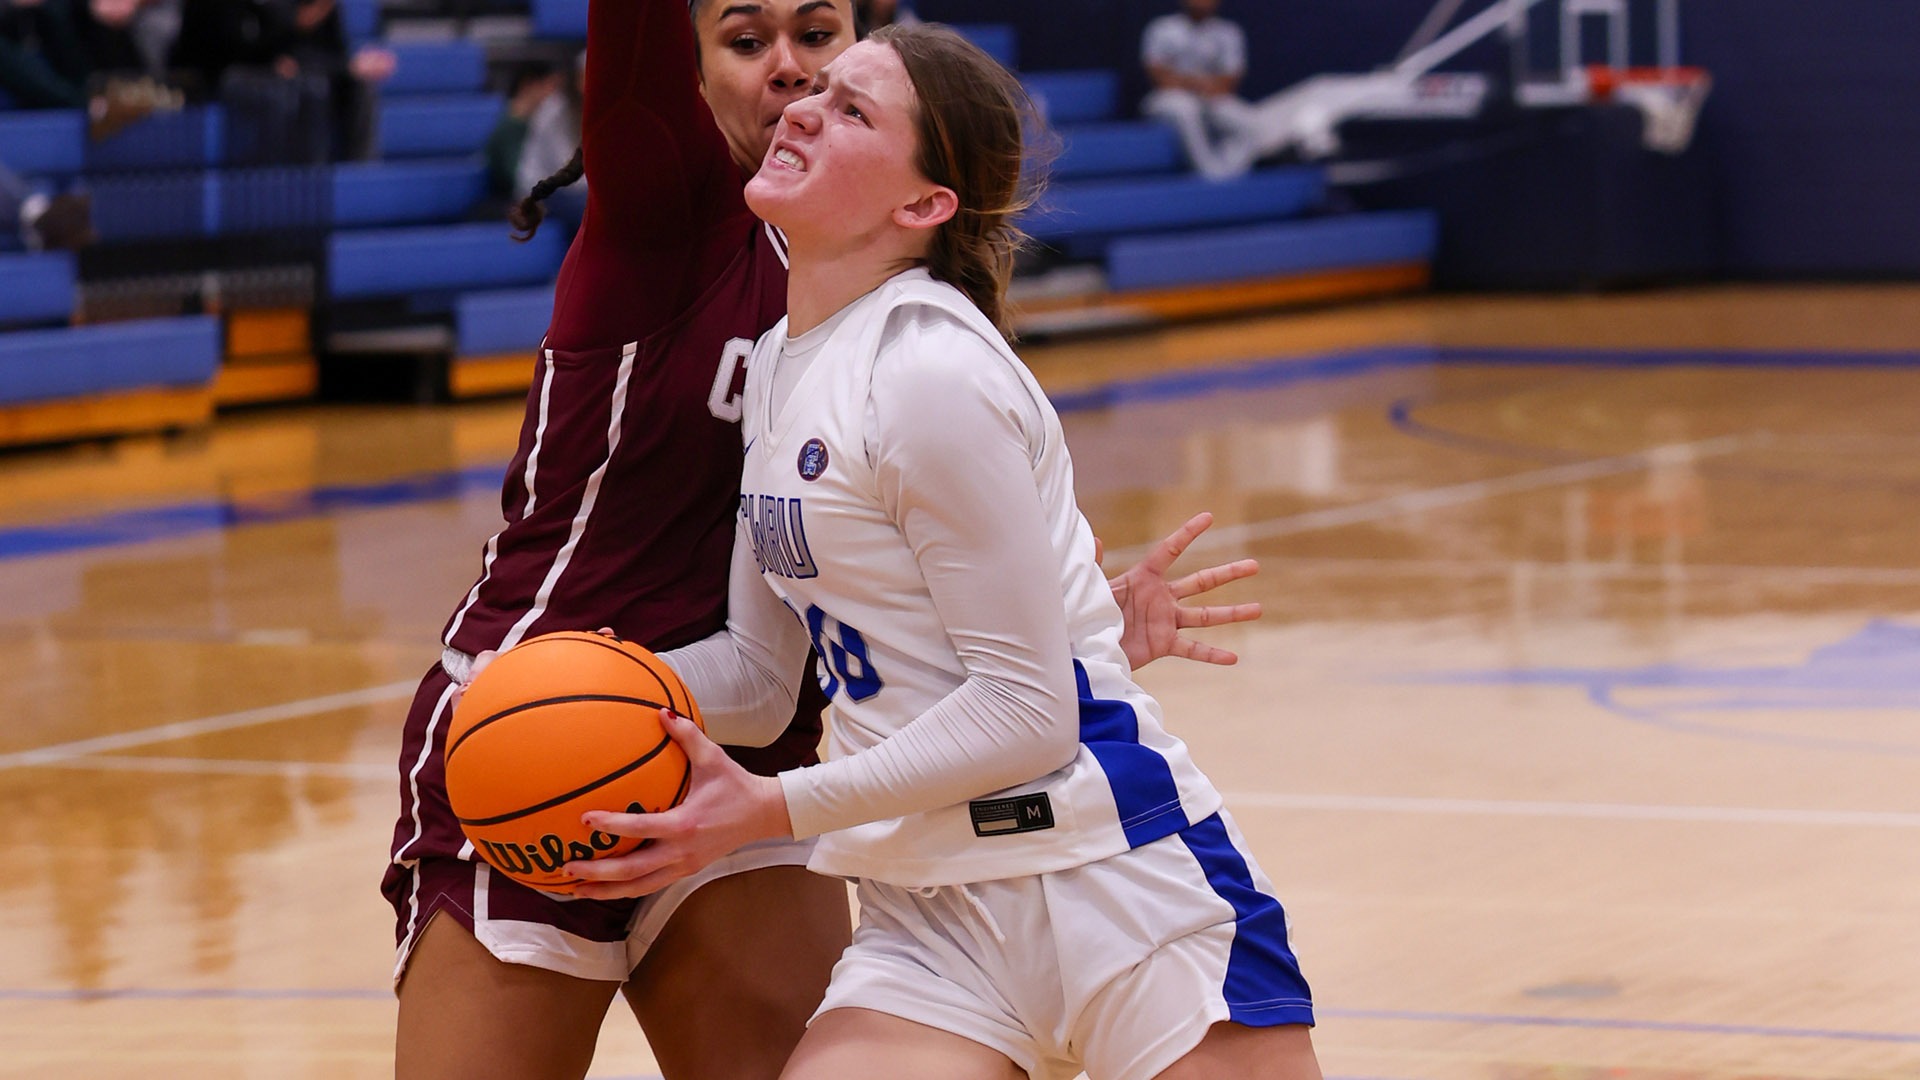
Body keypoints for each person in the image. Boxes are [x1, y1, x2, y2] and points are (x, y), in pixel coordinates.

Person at [387, 3, 1265, 1079]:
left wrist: (1064, 634)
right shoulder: (689, 233)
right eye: (748, 43)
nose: (794, 80)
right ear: (692, 70)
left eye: (825, 51)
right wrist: (554, 707)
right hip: (559, 731)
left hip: (792, 770)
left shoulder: (899, 334)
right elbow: (771, 662)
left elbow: (987, 693)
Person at [1140, 0, 1260, 180]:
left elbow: (1230, 80)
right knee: (1186, 109)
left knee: (1248, 121)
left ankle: (1230, 175)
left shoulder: (1228, 32)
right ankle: (1208, 174)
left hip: (1211, 97)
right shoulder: (1162, 27)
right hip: (1169, 97)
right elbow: (1158, 75)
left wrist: (1202, 87)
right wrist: (1195, 84)